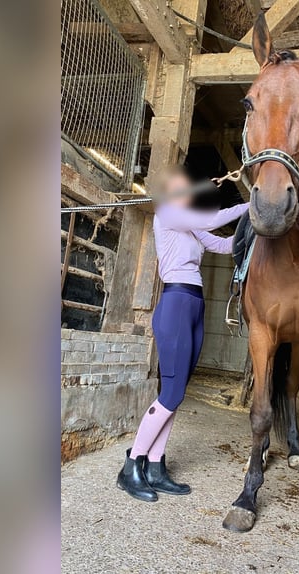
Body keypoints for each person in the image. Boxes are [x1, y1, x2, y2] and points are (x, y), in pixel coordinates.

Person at [117, 167, 249, 502]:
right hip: (175, 303)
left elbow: (222, 243)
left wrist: (257, 229)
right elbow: (212, 219)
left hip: (194, 306)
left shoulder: (188, 223)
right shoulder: (169, 213)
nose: (185, 191)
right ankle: (132, 466)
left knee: (177, 393)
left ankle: (157, 466)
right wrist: (251, 205)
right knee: (170, 394)